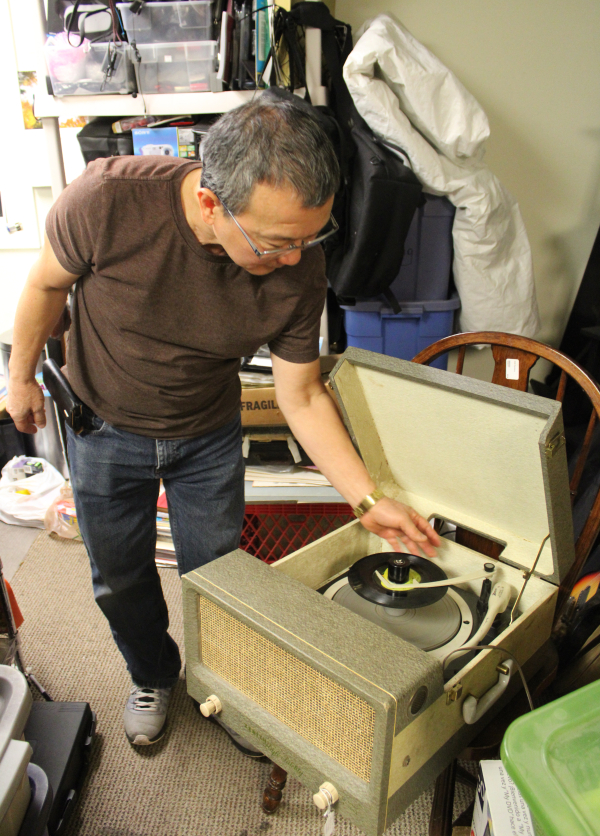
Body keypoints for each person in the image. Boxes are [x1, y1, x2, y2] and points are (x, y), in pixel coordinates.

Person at [7, 91, 439, 749]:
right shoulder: (105, 200)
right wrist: (19, 377)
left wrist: (367, 498)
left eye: (310, 238)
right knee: (119, 577)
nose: (295, 259)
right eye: (276, 242)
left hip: (206, 434)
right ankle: (152, 674)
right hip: (105, 425)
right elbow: (45, 286)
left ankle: (225, 686)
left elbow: (302, 396)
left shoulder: (300, 264)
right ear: (211, 204)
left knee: (220, 576)